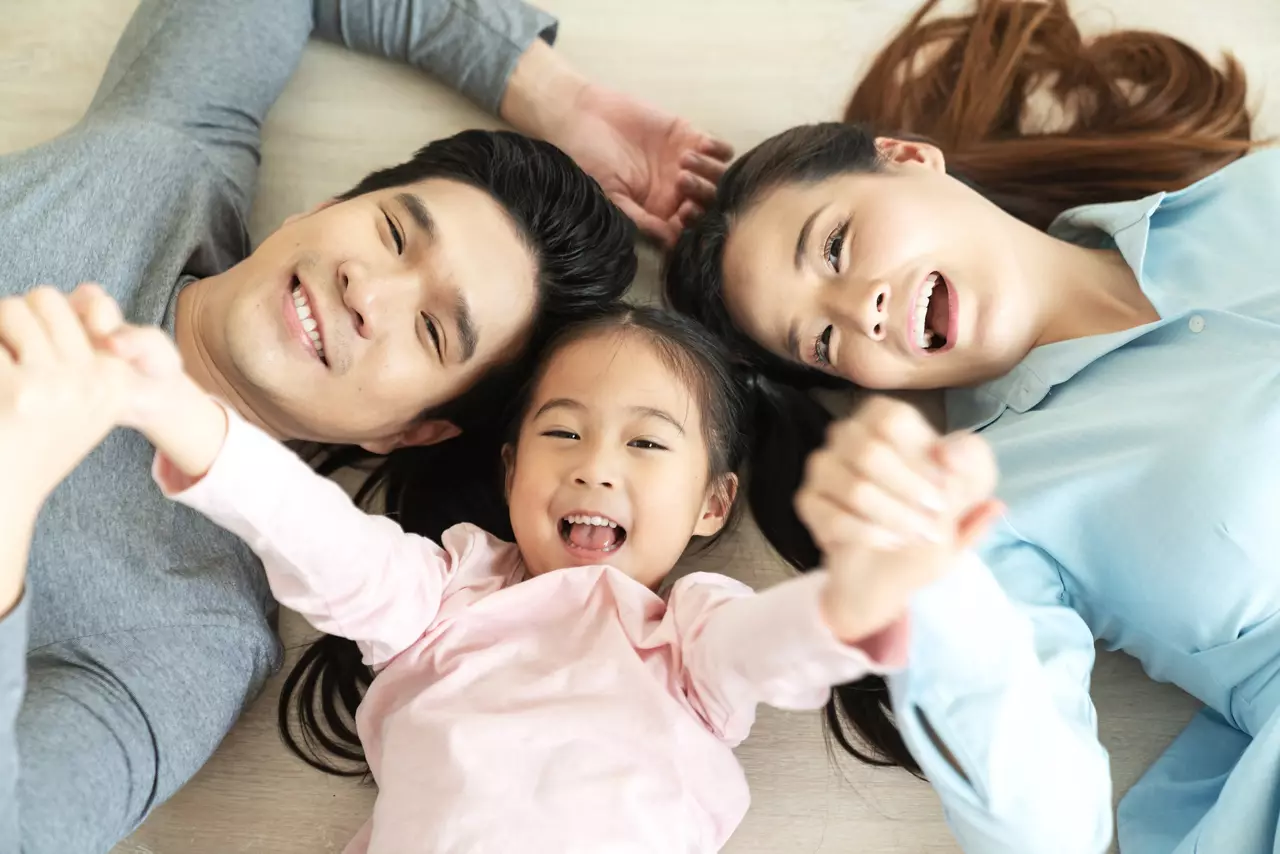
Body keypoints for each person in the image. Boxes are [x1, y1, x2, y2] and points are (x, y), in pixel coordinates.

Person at [0, 0, 732, 849]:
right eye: (391, 232)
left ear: (410, 431)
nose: (368, 291)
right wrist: (552, 97)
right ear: (314, 210)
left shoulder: (190, 629)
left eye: (429, 331)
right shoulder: (168, 162)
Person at [12, 293, 1000, 852]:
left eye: (646, 445)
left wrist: (857, 596)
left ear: (712, 504)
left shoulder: (687, 635)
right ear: (509, 468)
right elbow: (317, 534)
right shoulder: (441, 596)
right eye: (561, 431)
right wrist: (177, 410)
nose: (594, 464)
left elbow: (772, 647)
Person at [666, 0, 1277, 852]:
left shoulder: (1251, 195)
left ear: (909, 159)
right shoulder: (988, 518)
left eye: (836, 246)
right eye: (826, 340)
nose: (861, 308)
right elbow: (1046, 829)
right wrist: (928, 579)